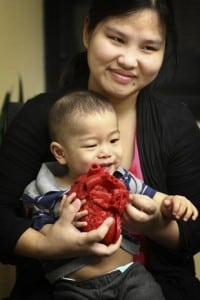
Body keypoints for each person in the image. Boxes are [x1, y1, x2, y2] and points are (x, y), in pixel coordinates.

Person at [0, 0, 200, 299]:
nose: (129, 60)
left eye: (148, 48)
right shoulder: (41, 115)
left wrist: (155, 224)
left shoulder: (177, 122)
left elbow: (194, 231)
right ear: (87, 32)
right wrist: (50, 245)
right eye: (117, 39)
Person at [21, 90, 198, 299]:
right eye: (91, 145)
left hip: (130, 276)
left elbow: (158, 200)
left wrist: (174, 203)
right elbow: (38, 231)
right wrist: (57, 231)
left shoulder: (121, 179)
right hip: (74, 285)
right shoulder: (44, 192)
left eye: (113, 140)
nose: (106, 152)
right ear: (60, 153)